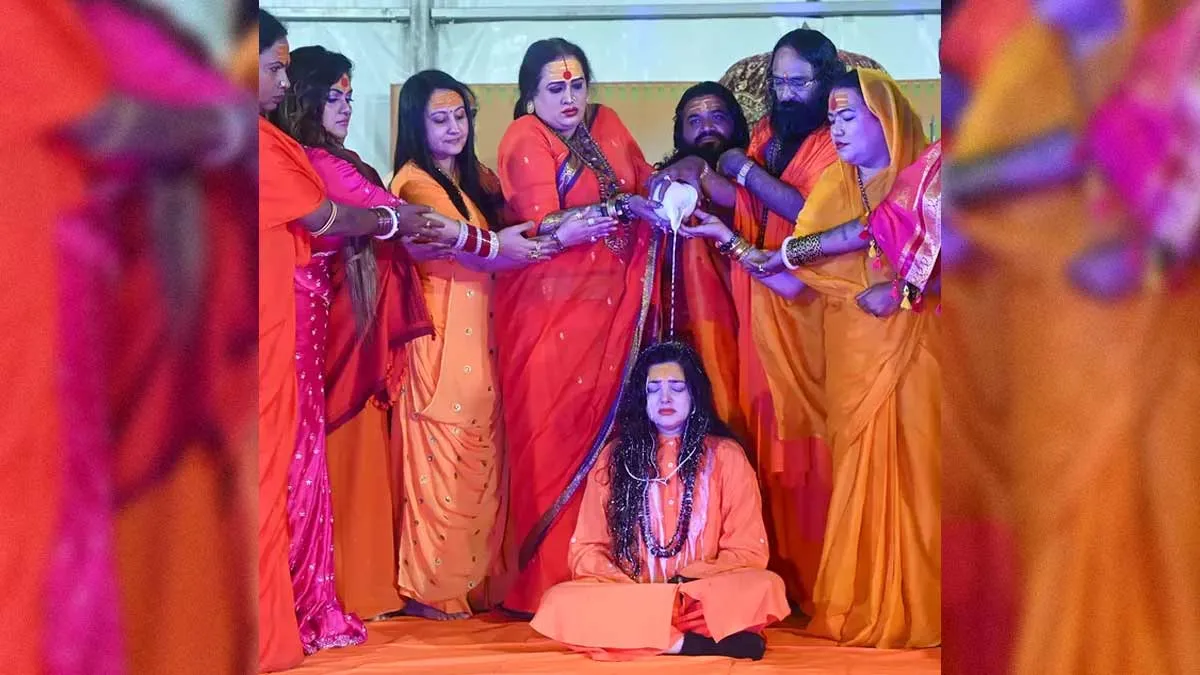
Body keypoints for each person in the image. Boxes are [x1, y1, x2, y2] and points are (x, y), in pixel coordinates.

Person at [944, 0, 1200, 673]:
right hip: (1050, 344)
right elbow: (970, 186)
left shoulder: (1172, 47)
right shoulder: (1026, 63)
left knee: (1158, 527)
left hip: (1160, 338)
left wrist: (1145, 253)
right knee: (1057, 521)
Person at [684, 68, 940, 648]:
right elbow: (792, 281)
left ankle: (924, 603)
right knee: (859, 478)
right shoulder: (830, 191)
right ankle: (866, 603)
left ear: (886, 121)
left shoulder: (927, 182)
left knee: (921, 481)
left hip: (920, 353)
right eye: (832, 119)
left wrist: (905, 291)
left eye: (849, 117)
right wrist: (726, 239)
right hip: (850, 357)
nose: (838, 129)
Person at [256, 9, 457, 669]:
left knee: (297, 461)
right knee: (283, 465)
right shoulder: (274, 149)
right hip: (281, 325)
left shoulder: (281, 145)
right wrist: (395, 222)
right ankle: (278, 612)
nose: (283, 81)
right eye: (276, 67)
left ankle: (296, 603)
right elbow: (326, 216)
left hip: (308, 324)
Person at [656, 27, 845, 611]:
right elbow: (739, 203)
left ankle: (820, 581)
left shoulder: (835, 140)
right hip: (755, 298)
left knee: (809, 441)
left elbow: (809, 211)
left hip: (809, 303)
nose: (787, 93)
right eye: (779, 82)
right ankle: (775, 572)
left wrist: (740, 171)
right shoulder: (766, 134)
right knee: (763, 431)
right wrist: (691, 173)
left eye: (799, 82)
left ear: (825, 82)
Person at [492, 37, 670, 617]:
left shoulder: (608, 123)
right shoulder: (525, 138)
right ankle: (547, 582)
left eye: (577, 85)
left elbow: (643, 179)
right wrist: (620, 209)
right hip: (549, 311)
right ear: (530, 94)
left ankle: (600, 569)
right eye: (555, 88)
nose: (569, 97)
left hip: (615, 312)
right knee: (552, 440)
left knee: (613, 438)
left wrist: (667, 189)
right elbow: (541, 223)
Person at [387, 69, 567, 619]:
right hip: (439, 340)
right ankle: (430, 589)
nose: (454, 128)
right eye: (439, 119)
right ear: (416, 126)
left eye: (460, 116)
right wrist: (497, 246)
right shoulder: (413, 183)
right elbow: (450, 237)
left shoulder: (473, 179)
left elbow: (515, 226)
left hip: (482, 336)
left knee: (480, 458)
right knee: (439, 462)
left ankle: (473, 584)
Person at [531, 342, 789, 661]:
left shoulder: (726, 457)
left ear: (694, 395)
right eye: (653, 389)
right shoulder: (614, 459)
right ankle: (692, 645)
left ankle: (647, 635)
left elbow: (748, 550)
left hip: (697, 598)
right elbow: (586, 549)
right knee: (560, 602)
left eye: (677, 388)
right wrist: (630, 589)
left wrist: (684, 585)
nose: (665, 398)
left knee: (766, 586)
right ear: (642, 400)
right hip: (631, 596)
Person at [652, 82, 749, 437]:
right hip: (689, 325)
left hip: (751, 318)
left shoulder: (757, 176)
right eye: (694, 121)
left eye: (717, 117)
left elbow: (752, 210)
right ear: (680, 134)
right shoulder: (666, 180)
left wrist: (704, 173)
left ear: (736, 124)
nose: (707, 127)